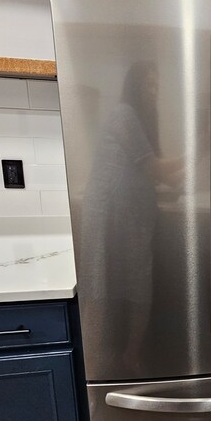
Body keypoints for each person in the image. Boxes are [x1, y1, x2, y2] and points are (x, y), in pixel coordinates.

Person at [78, 60, 183, 374]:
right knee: (99, 292)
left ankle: (130, 357)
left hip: (134, 223)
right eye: (146, 85)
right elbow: (157, 169)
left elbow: (160, 177)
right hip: (107, 220)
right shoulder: (124, 115)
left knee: (139, 291)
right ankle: (93, 375)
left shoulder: (143, 123)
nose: (152, 92)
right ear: (133, 87)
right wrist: (200, 149)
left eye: (156, 86)